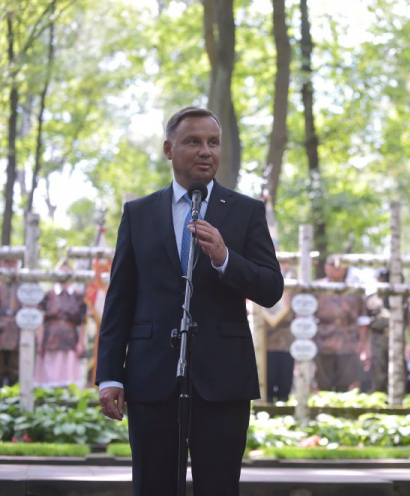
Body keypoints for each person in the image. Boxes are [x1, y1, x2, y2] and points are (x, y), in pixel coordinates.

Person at [96, 106, 283, 496]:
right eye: (193, 142)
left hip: (223, 380)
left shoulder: (247, 211)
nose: (205, 151)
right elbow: (120, 298)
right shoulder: (139, 213)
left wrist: (225, 258)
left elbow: (270, 288)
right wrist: (110, 374)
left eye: (213, 143)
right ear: (169, 149)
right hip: (151, 379)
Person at [313, 255, 370, 391]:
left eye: (341, 265)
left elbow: (363, 320)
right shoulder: (316, 288)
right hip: (322, 344)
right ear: (326, 268)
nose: (337, 268)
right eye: (333, 264)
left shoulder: (355, 290)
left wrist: (362, 344)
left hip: (349, 345)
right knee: (323, 384)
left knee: (345, 385)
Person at [363, 267, 410, 393]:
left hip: (398, 338)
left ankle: (398, 400)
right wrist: (365, 347)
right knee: (378, 371)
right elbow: (366, 325)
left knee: (399, 371)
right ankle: (379, 400)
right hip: (377, 339)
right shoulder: (371, 299)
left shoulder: (402, 299)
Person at [35, 260, 87, 387]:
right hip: (50, 339)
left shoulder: (78, 296)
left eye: (67, 272)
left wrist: (80, 343)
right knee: (50, 373)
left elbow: (83, 322)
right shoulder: (48, 295)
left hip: (70, 340)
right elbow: (40, 320)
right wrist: (40, 341)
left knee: (69, 375)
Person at [264, 260, 295, 402]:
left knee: (285, 375)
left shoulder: (292, 284)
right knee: (268, 374)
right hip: (265, 338)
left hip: (286, 340)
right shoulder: (263, 276)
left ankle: (283, 399)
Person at [0, 259, 20, 386]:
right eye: (6, 262)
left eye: (12, 263)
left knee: (15, 368)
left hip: (17, 330)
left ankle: (13, 397)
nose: (9, 266)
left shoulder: (22, 284)